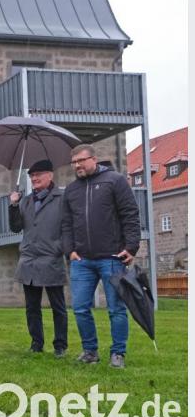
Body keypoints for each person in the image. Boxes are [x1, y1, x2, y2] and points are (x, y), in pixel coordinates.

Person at [61, 144, 140, 368]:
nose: (77, 165)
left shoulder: (115, 181)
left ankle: (118, 354)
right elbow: (66, 224)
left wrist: (131, 247)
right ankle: (90, 351)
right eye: (74, 162)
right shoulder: (71, 190)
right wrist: (70, 251)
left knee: (115, 308)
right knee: (80, 307)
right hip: (81, 260)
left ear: (94, 159)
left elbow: (130, 214)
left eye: (81, 161)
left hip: (112, 257)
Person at [8, 159, 68, 357]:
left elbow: (68, 226)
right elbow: (16, 227)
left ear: (50, 175)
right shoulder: (25, 201)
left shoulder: (61, 197)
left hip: (51, 259)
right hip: (29, 260)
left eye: (38, 175)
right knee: (32, 307)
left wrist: (59, 248)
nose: (34, 178)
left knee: (58, 306)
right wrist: (13, 205)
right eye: (32, 176)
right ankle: (36, 343)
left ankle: (60, 345)